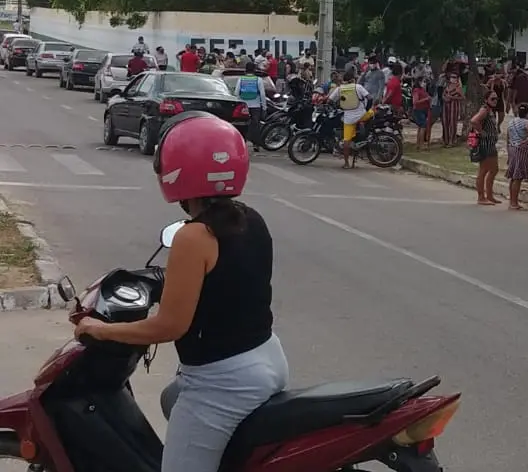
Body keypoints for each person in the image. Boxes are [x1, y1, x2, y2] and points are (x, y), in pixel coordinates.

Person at [74, 113, 287, 472]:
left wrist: (99, 329)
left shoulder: (193, 237)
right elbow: (227, 283)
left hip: (222, 383)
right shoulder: (250, 219)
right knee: (172, 399)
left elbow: (169, 327)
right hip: (266, 359)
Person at [327, 71, 372, 170]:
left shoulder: (339, 89)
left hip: (348, 119)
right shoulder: (358, 87)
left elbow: (329, 101)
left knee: (346, 141)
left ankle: (347, 163)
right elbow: (370, 98)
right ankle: (370, 133)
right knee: (375, 112)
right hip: (362, 115)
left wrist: (338, 106)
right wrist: (367, 109)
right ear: (353, 79)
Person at [234, 60, 277, 153]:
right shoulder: (258, 80)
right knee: (255, 125)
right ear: (254, 70)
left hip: (243, 106)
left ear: (246, 70)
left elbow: (236, 93)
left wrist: (237, 104)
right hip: (256, 105)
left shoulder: (241, 79)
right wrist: (264, 107)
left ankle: (242, 144)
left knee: (243, 126)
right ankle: (256, 144)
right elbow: (262, 94)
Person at [470, 89, 502, 205]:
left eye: (496, 99)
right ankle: (481, 197)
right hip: (485, 144)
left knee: (494, 169)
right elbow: (474, 121)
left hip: (491, 144)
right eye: (492, 99)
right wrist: (481, 131)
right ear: (486, 99)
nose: (495, 101)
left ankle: (489, 195)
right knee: (483, 170)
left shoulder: (490, 110)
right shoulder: (484, 110)